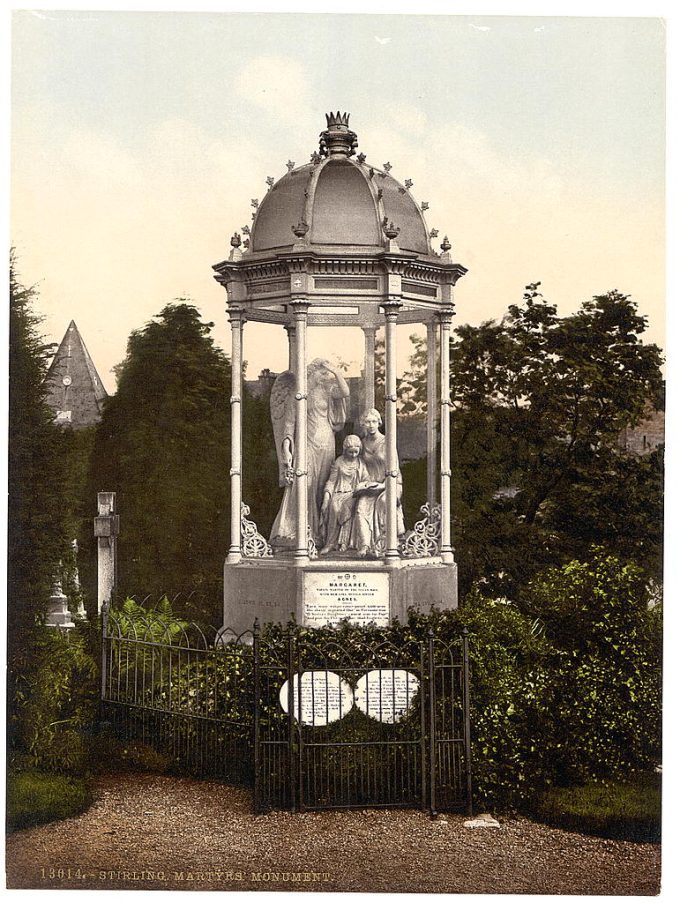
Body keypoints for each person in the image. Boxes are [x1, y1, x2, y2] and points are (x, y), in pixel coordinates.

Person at [270, 359, 349, 549]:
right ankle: (298, 532)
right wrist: (287, 448)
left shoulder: (329, 392)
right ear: (310, 374)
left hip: (326, 441)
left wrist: (336, 371)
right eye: (321, 373)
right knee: (303, 484)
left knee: (323, 486)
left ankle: (321, 534)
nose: (324, 377)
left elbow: (345, 392)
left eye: (325, 374)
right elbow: (288, 424)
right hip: (306, 443)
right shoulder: (298, 394)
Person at [352, 408, 405, 557]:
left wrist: (383, 486)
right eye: (367, 422)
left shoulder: (387, 442)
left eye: (374, 421)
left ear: (379, 423)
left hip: (391, 484)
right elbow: (360, 468)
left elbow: (394, 471)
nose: (371, 425)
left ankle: (389, 543)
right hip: (371, 485)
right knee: (361, 507)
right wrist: (364, 485)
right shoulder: (362, 444)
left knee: (385, 501)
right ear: (363, 424)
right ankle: (365, 545)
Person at [319, 435, 369, 555]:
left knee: (350, 508)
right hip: (338, 492)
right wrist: (326, 498)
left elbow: (366, 479)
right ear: (345, 450)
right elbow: (331, 481)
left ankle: (344, 543)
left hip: (354, 494)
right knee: (334, 508)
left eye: (356, 452)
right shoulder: (339, 462)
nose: (353, 455)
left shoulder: (360, 463)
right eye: (350, 452)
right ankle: (330, 543)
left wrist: (362, 488)